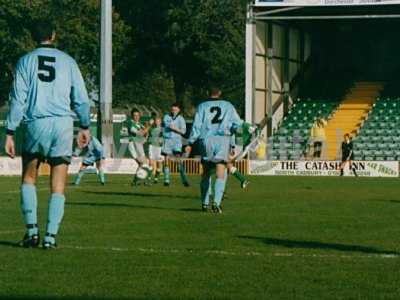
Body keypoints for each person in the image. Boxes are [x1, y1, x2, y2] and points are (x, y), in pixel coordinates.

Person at [4, 21, 90, 249]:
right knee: (58, 183)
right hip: (62, 124)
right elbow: (81, 97)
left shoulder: (25, 61)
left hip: (36, 123)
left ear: (34, 37)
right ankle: (50, 238)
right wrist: (84, 126)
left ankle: (32, 232)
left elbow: (17, 99)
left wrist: (10, 131)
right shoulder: (68, 61)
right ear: (54, 35)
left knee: (29, 177)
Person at [186, 88, 242, 213]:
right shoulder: (228, 105)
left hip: (205, 140)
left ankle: (204, 203)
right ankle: (216, 204)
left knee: (206, 172)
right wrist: (232, 142)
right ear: (220, 93)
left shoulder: (202, 106)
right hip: (222, 140)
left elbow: (196, 126)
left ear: (208, 93)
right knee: (220, 172)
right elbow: (237, 124)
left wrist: (190, 142)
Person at [162, 103, 189, 187]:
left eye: (175, 110)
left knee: (178, 160)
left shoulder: (181, 119)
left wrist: (175, 129)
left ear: (179, 110)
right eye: (172, 109)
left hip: (177, 141)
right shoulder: (166, 117)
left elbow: (183, 131)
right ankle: (166, 180)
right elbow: (168, 126)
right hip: (167, 140)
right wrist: (174, 128)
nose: (173, 111)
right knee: (166, 159)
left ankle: (184, 179)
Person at [126, 108, 152, 185]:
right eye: (134, 115)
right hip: (133, 144)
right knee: (145, 163)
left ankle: (135, 181)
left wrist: (146, 130)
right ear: (131, 116)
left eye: (137, 115)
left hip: (138, 144)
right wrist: (149, 125)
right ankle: (146, 180)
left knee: (142, 164)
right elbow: (140, 133)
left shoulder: (140, 124)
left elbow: (146, 133)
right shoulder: (130, 123)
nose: (136, 117)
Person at [148, 115, 163, 183]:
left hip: (159, 148)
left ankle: (156, 178)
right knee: (150, 163)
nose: (157, 122)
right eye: (156, 121)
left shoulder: (162, 129)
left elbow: (164, 137)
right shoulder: (151, 128)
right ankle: (148, 178)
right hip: (152, 146)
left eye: (158, 121)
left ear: (160, 122)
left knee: (159, 164)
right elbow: (147, 134)